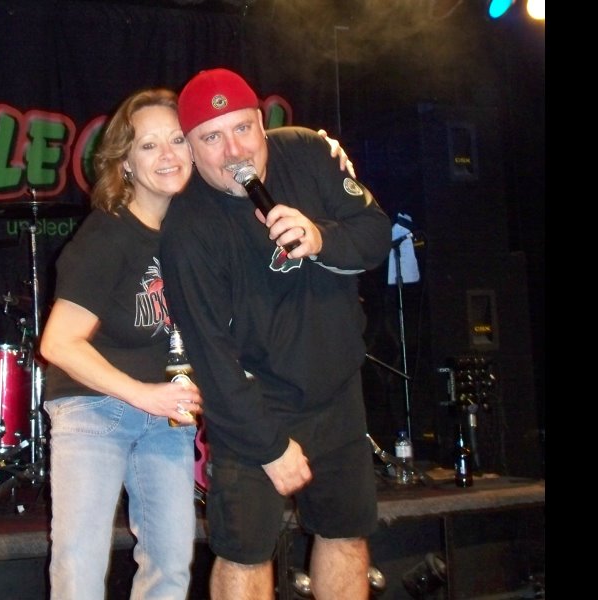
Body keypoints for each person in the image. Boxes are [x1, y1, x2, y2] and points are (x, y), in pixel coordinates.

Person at [38, 86, 353, 599]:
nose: (167, 155)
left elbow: (239, 143)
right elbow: (58, 343)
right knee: (81, 565)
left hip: (169, 414)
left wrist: (320, 147)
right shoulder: (108, 234)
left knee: (170, 568)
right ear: (125, 162)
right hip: (96, 409)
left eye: (177, 140)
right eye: (148, 145)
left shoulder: (193, 224)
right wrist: (144, 395)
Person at [159, 68, 393, 600]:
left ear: (263, 125)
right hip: (252, 404)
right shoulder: (188, 227)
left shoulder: (308, 152)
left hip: (335, 389)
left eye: (243, 128)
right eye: (211, 138)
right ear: (190, 149)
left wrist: (321, 238)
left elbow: (375, 233)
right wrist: (268, 447)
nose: (233, 150)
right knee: (244, 551)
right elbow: (210, 357)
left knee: (345, 534)